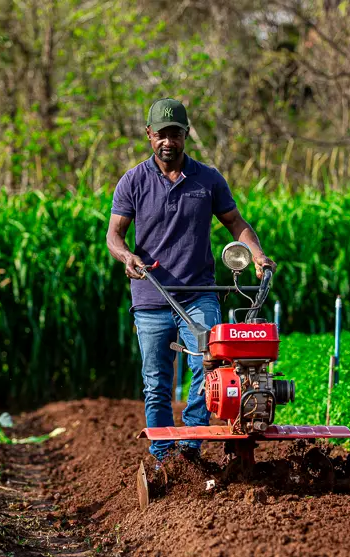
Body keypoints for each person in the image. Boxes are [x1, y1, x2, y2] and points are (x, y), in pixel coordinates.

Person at [106, 98, 276, 463]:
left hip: (199, 293)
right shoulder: (133, 181)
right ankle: (163, 456)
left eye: (176, 134)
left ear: (186, 135)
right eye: (162, 134)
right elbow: (114, 236)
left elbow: (236, 223)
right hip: (152, 295)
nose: (169, 141)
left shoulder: (208, 179)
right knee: (156, 383)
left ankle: (191, 446)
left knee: (210, 368)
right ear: (149, 135)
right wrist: (127, 256)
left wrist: (257, 254)